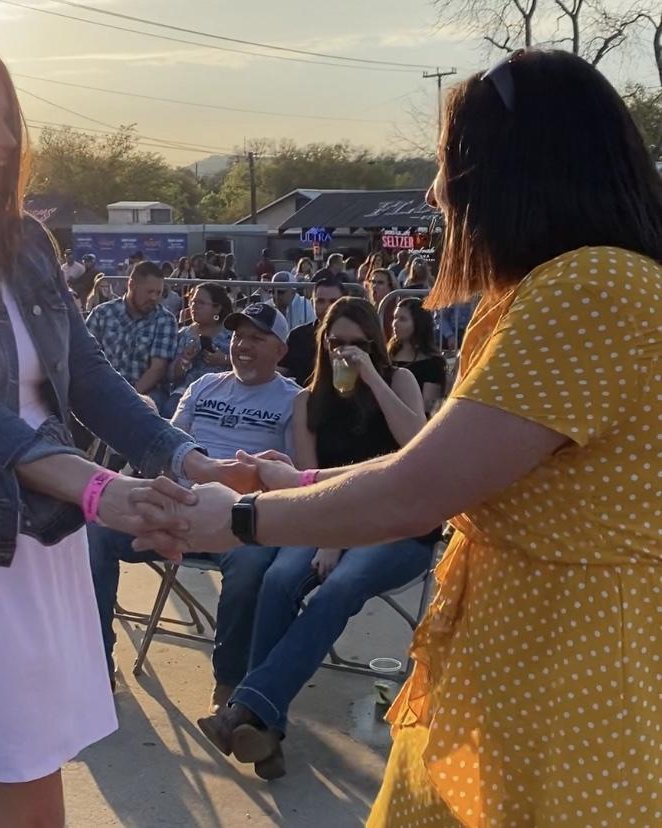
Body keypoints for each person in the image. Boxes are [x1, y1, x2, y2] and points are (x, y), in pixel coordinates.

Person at [133, 49, 662, 826]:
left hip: (568, 674)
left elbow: (421, 491)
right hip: (522, 652)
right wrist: (297, 483)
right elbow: (443, 464)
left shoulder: (592, 288)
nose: (436, 192)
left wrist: (242, 520)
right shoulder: (568, 288)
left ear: (511, 171)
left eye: (449, 164)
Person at [0, 32, 258, 828]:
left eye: (7, 118)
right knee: (19, 794)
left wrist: (187, 458)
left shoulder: (25, 243)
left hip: (43, 537)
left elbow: (87, 375)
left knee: (31, 788)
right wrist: (103, 490)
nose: (5, 140)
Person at [198, 297, 433, 779]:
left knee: (340, 587)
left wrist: (372, 378)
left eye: (357, 343)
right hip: (330, 520)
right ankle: (264, 731)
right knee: (278, 579)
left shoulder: (398, 381)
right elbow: (309, 483)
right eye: (336, 341)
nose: (345, 351)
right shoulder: (308, 401)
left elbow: (417, 449)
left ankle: (247, 710)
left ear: (374, 343)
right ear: (323, 343)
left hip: (398, 526)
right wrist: (332, 534)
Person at [89, 302, 303, 711]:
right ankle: (96, 661)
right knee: (95, 532)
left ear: (281, 350)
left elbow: (294, 473)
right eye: (238, 336)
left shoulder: (294, 400)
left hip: (240, 515)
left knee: (251, 565)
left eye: (257, 338)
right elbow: (166, 447)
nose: (243, 345)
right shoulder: (203, 386)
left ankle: (229, 683)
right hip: (179, 504)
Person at [85, 260, 178, 396]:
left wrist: (127, 397)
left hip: (145, 394)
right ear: (131, 285)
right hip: (102, 389)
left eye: (158, 293)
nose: (154, 298)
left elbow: (157, 369)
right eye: (149, 292)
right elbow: (86, 357)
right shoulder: (102, 313)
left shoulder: (165, 320)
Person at [159, 283, 232, 418]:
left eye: (201, 303)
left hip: (220, 392)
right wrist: (185, 360)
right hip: (186, 391)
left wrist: (224, 359)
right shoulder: (183, 334)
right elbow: (171, 375)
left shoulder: (232, 335)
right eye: (192, 302)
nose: (194, 306)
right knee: (170, 411)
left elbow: (249, 364)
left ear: (217, 308)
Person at [278, 276, 346, 386]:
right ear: (312, 302)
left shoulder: (356, 336)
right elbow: (284, 370)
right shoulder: (297, 336)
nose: (327, 306)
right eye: (320, 301)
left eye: (333, 301)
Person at [388, 298, 446, 415]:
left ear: (418, 323)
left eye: (403, 319)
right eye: (395, 318)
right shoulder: (388, 354)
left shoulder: (433, 363)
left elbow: (427, 408)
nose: (395, 323)